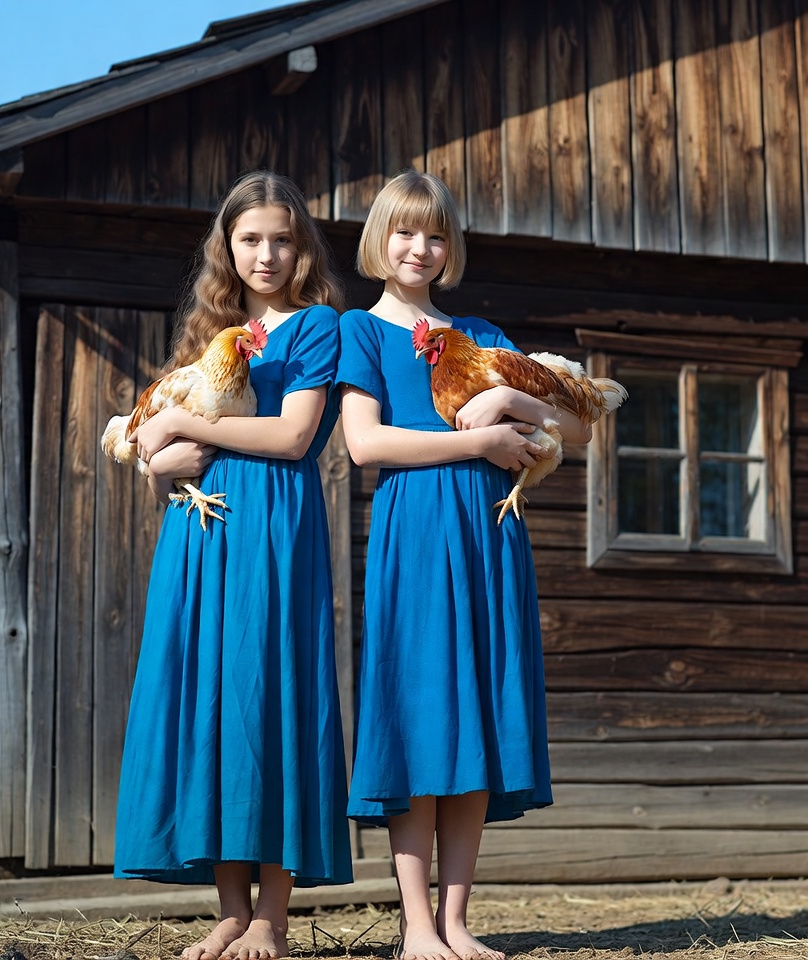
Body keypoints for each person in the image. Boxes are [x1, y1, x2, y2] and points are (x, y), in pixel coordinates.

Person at [337, 170, 592, 960]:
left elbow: (577, 427)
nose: (421, 247)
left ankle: (455, 922)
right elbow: (365, 444)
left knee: (473, 713)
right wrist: (475, 442)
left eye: (436, 235)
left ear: (451, 249)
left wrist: (512, 405)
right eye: (407, 232)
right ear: (381, 239)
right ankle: (415, 925)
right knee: (419, 716)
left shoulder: (480, 333)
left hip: (487, 535)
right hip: (415, 531)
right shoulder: (360, 330)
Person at [114, 170, 353, 960]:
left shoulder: (318, 327)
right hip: (201, 527)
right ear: (228, 247)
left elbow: (290, 439)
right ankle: (227, 907)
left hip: (275, 525)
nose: (267, 254)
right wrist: (171, 443)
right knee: (211, 699)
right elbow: (153, 455)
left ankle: (271, 918)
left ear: (301, 247)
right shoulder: (206, 332)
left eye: (282, 239)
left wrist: (188, 428)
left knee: (273, 696)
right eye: (250, 239)